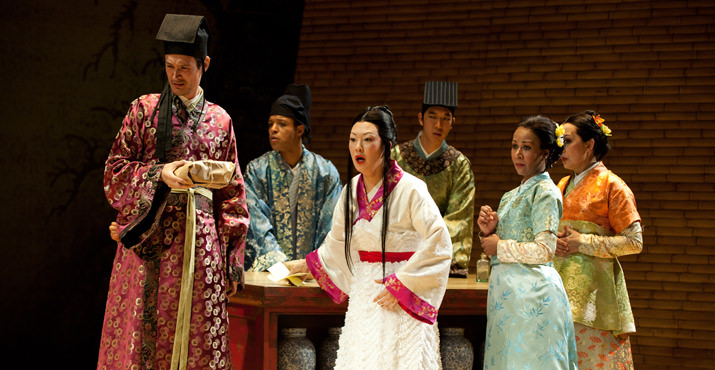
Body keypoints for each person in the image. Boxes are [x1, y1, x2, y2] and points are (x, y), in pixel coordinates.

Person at [98, 14, 249, 370]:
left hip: (202, 248)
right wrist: (160, 173)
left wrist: (231, 262)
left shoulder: (220, 120)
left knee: (200, 337)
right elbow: (114, 171)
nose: (175, 75)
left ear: (204, 65)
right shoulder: (144, 110)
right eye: (169, 66)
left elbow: (234, 195)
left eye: (184, 67)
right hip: (150, 245)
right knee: (141, 337)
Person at [290, 106, 452, 369]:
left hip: (402, 290)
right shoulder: (351, 190)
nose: (358, 148)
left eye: (368, 140)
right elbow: (337, 244)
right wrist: (307, 265)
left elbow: (439, 242)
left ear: (387, 145)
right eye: (353, 140)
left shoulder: (412, 189)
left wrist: (403, 285)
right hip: (366, 289)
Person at [478, 115, 577, 369]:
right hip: (508, 297)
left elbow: (545, 250)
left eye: (527, 147)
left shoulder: (545, 191)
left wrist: (498, 245)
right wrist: (489, 233)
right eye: (514, 146)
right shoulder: (511, 194)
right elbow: (504, 245)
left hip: (533, 298)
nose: (518, 154)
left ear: (545, 153)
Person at [554, 111, 642, 369]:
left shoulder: (613, 185)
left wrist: (584, 242)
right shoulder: (560, 184)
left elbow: (635, 241)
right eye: (560, 141)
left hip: (595, 294)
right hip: (558, 290)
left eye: (568, 141)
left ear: (590, 144)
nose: (562, 148)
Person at [243, 84, 341, 271]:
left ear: (299, 130)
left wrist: (310, 266)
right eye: (270, 124)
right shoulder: (257, 170)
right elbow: (256, 223)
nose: (273, 129)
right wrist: (280, 266)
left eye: (282, 124)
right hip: (270, 271)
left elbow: (331, 226)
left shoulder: (325, 172)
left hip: (312, 273)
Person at [391, 81, 475, 277]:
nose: (438, 125)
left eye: (446, 118)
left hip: (437, 259)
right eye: (433, 117)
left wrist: (427, 250)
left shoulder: (459, 165)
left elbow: (459, 218)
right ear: (421, 118)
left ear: (453, 122)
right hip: (397, 254)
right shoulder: (396, 157)